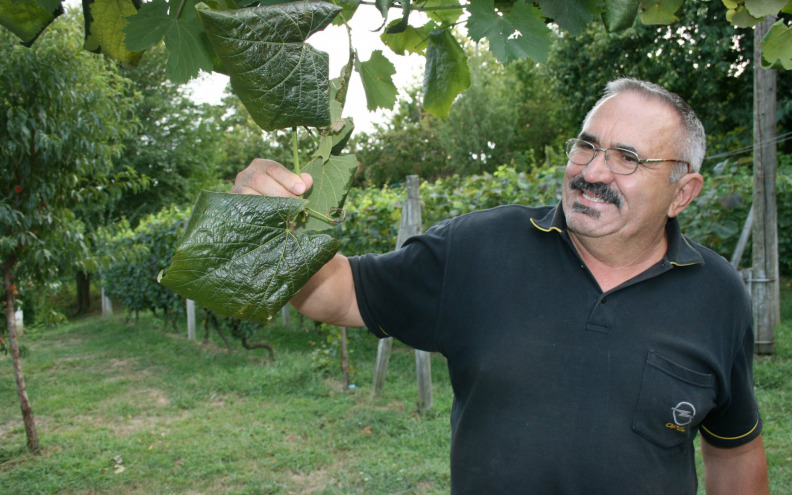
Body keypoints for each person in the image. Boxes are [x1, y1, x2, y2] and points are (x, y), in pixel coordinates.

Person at [231, 78, 769, 494]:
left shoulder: (716, 294)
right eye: (586, 146)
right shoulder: (478, 249)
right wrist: (270, 224)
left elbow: (734, 451)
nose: (594, 172)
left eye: (627, 159)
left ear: (683, 192)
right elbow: (335, 295)